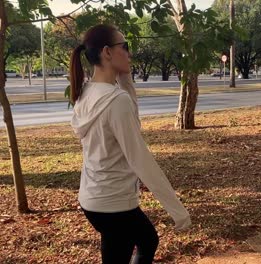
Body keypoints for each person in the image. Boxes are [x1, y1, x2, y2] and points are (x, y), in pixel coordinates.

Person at [69, 24, 191, 264]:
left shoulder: (88, 92)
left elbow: (132, 123)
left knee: (142, 241)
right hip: (114, 203)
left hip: (93, 198)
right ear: (107, 52)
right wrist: (178, 211)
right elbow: (141, 160)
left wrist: (125, 79)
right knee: (146, 241)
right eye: (125, 47)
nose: (129, 54)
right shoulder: (115, 101)